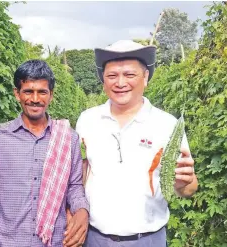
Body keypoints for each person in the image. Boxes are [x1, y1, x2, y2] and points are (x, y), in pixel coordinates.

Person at [76, 40, 198, 247]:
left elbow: (187, 189)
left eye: (130, 75)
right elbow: (81, 172)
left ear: (146, 77)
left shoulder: (167, 125)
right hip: (94, 238)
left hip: (148, 240)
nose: (120, 83)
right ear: (103, 81)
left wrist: (185, 184)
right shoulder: (87, 120)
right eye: (112, 75)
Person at [0, 60, 89, 247]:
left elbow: (74, 187)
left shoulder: (68, 138)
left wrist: (82, 210)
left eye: (42, 92)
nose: (35, 99)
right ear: (17, 94)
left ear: (51, 95)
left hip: (55, 242)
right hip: (7, 242)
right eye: (28, 91)